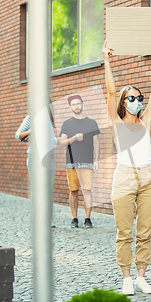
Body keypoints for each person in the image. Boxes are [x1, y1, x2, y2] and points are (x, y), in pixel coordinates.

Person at [102, 40, 151, 295]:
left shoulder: (145, 121)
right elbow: (110, 91)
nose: (138, 101)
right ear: (123, 102)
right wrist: (106, 59)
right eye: (132, 98)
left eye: (139, 98)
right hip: (125, 178)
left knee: (145, 231)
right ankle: (126, 278)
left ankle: (141, 276)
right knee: (124, 232)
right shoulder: (116, 123)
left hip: (148, 177)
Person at [58, 94, 100, 229]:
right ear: (70, 107)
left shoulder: (91, 122)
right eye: (73, 104)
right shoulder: (67, 124)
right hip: (71, 162)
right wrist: (75, 138)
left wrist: (97, 160)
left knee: (87, 190)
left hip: (87, 161)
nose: (76, 106)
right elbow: (62, 143)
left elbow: (96, 142)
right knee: (73, 190)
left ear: (83, 105)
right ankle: (74, 218)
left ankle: (88, 219)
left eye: (78, 103)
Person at [15, 103, 58, 227]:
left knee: (48, 189)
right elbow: (18, 135)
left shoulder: (50, 120)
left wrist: (59, 140)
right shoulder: (31, 118)